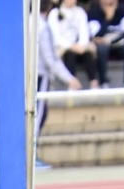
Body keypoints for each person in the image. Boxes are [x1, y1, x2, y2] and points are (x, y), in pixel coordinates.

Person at [38, 0, 85, 168]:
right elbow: (50, 59)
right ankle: (30, 156)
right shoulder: (42, 28)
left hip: (30, 75)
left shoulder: (28, 23)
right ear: (49, 7)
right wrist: (69, 78)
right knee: (37, 116)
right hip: (39, 76)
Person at [51, 0, 102, 88]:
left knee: (88, 53)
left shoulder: (80, 12)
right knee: (70, 54)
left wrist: (81, 45)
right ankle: (72, 85)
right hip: (63, 47)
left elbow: (84, 32)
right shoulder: (55, 13)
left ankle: (94, 83)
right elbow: (55, 36)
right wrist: (71, 46)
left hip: (79, 46)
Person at [90, 0, 124, 85]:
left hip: (118, 45)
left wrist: (108, 40)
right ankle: (103, 82)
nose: (108, 5)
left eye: (111, 3)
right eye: (105, 3)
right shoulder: (94, 14)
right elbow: (96, 36)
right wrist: (107, 19)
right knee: (102, 48)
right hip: (103, 47)